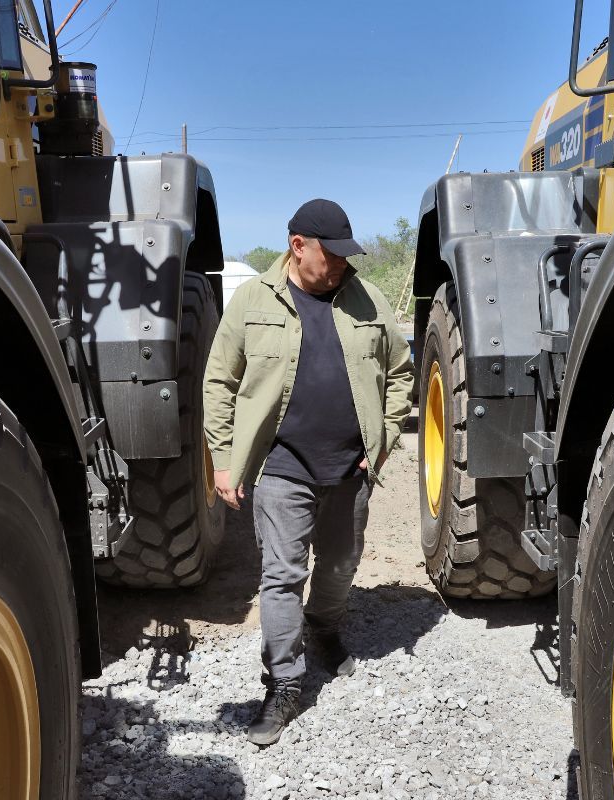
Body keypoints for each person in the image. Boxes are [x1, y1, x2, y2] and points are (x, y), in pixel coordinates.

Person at [203, 198, 414, 745]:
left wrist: (386, 438)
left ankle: (323, 628)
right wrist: (224, 460)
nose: (342, 264)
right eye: (332, 254)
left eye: (347, 254)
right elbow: (220, 381)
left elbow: (400, 372)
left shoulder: (367, 299)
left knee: (341, 561)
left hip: (350, 467)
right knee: (282, 576)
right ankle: (284, 684)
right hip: (281, 468)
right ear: (298, 246)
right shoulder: (253, 301)